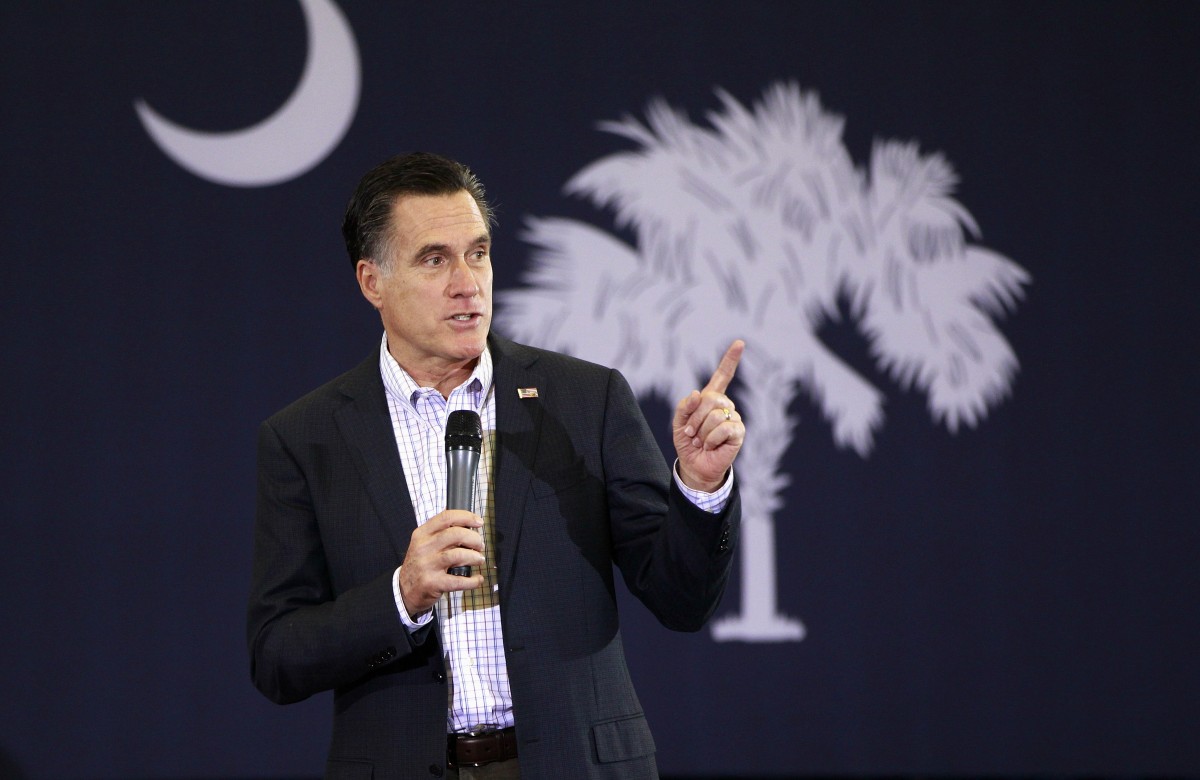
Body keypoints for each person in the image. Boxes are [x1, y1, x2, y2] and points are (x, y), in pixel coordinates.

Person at [247, 152, 745, 780]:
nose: (468, 282)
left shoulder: (584, 402)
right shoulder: (306, 438)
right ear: (372, 281)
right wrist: (401, 596)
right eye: (435, 259)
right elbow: (277, 656)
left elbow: (682, 600)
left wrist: (699, 489)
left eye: (478, 253)